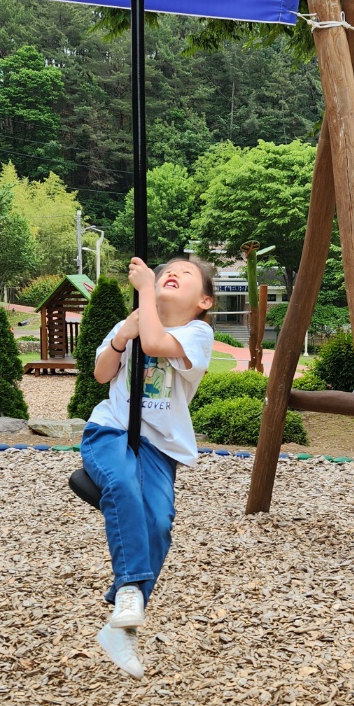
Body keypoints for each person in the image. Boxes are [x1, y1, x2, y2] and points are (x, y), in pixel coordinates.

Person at [81, 254, 215, 678]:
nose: (172, 273)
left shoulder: (197, 333)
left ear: (205, 301)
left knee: (159, 521)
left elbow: (157, 346)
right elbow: (101, 373)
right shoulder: (132, 321)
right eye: (166, 271)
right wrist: (123, 334)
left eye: (186, 273)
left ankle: (122, 625)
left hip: (158, 446)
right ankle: (128, 595)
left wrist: (144, 296)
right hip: (112, 430)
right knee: (121, 484)